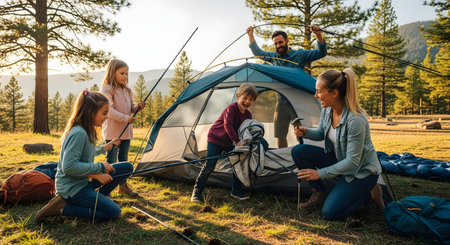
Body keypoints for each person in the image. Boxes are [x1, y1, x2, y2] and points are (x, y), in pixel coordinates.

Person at [291, 68, 385, 220]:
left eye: (319, 92)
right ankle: (320, 193)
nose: (316, 95)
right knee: (299, 151)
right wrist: (305, 131)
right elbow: (321, 133)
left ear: (334, 93)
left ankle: (371, 193)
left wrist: (319, 173)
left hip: (360, 172)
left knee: (330, 213)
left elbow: (353, 162)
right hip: (340, 161)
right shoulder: (328, 111)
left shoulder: (355, 120)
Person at [35, 90, 133, 222]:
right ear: (90, 112)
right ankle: (63, 209)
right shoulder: (79, 133)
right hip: (72, 189)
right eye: (104, 113)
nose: (107, 117)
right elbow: (68, 167)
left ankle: (94, 200)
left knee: (127, 167)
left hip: (83, 181)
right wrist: (99, 168)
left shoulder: (89, 130)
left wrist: (106, 147)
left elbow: (87, 151)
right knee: (114, 212)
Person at [246, 25, 327, 148]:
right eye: (276, 44)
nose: (278, 46)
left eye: (280, 42)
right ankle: (282, 159)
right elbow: (258, 53)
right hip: (281, 102)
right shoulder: (274, 57)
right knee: (280, 134)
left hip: (298, 102)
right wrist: (251, 35)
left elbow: (321, 52)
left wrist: (318, 35)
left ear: (287, 41)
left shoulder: (300, 55)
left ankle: (302, 156)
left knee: (300, 132)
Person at [191, 83, 258, 203]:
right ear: (238, 96)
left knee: (237, 164)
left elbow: (245, 130)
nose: (247, 101)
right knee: (210, 165)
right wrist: (237, 141)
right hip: (216, 139)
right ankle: (196, 193)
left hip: (230, 143)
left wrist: (247, 141)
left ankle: (236, 191)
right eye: (245, 98)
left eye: (251, 100)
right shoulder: (231, 108)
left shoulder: (248, 115)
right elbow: (228, 125)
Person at [101, 59, 145, 197]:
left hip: (126, 131)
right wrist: (126, 118)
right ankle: (107, 189)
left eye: (127, 73)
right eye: (122, 73)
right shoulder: (107, 89)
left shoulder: (127, 90)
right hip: (113, 132)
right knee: (111, 161)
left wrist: (137, 107)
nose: (125, 76)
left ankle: (123, 186)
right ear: (112, 72)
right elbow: (109, 110)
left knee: (124, 159)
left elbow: (130, 108)